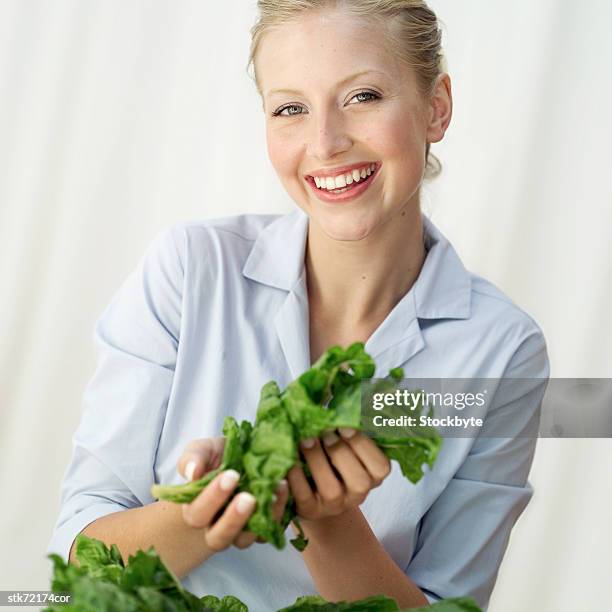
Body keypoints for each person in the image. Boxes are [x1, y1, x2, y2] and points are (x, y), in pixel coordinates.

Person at [47, 1, 549, 610]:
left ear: (436, 107)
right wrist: (227, 496)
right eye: (290, 108)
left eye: (363, 96)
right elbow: (82, 561)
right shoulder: (191, 269)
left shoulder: (501, 350)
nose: (325, 143)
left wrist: (328, 520)